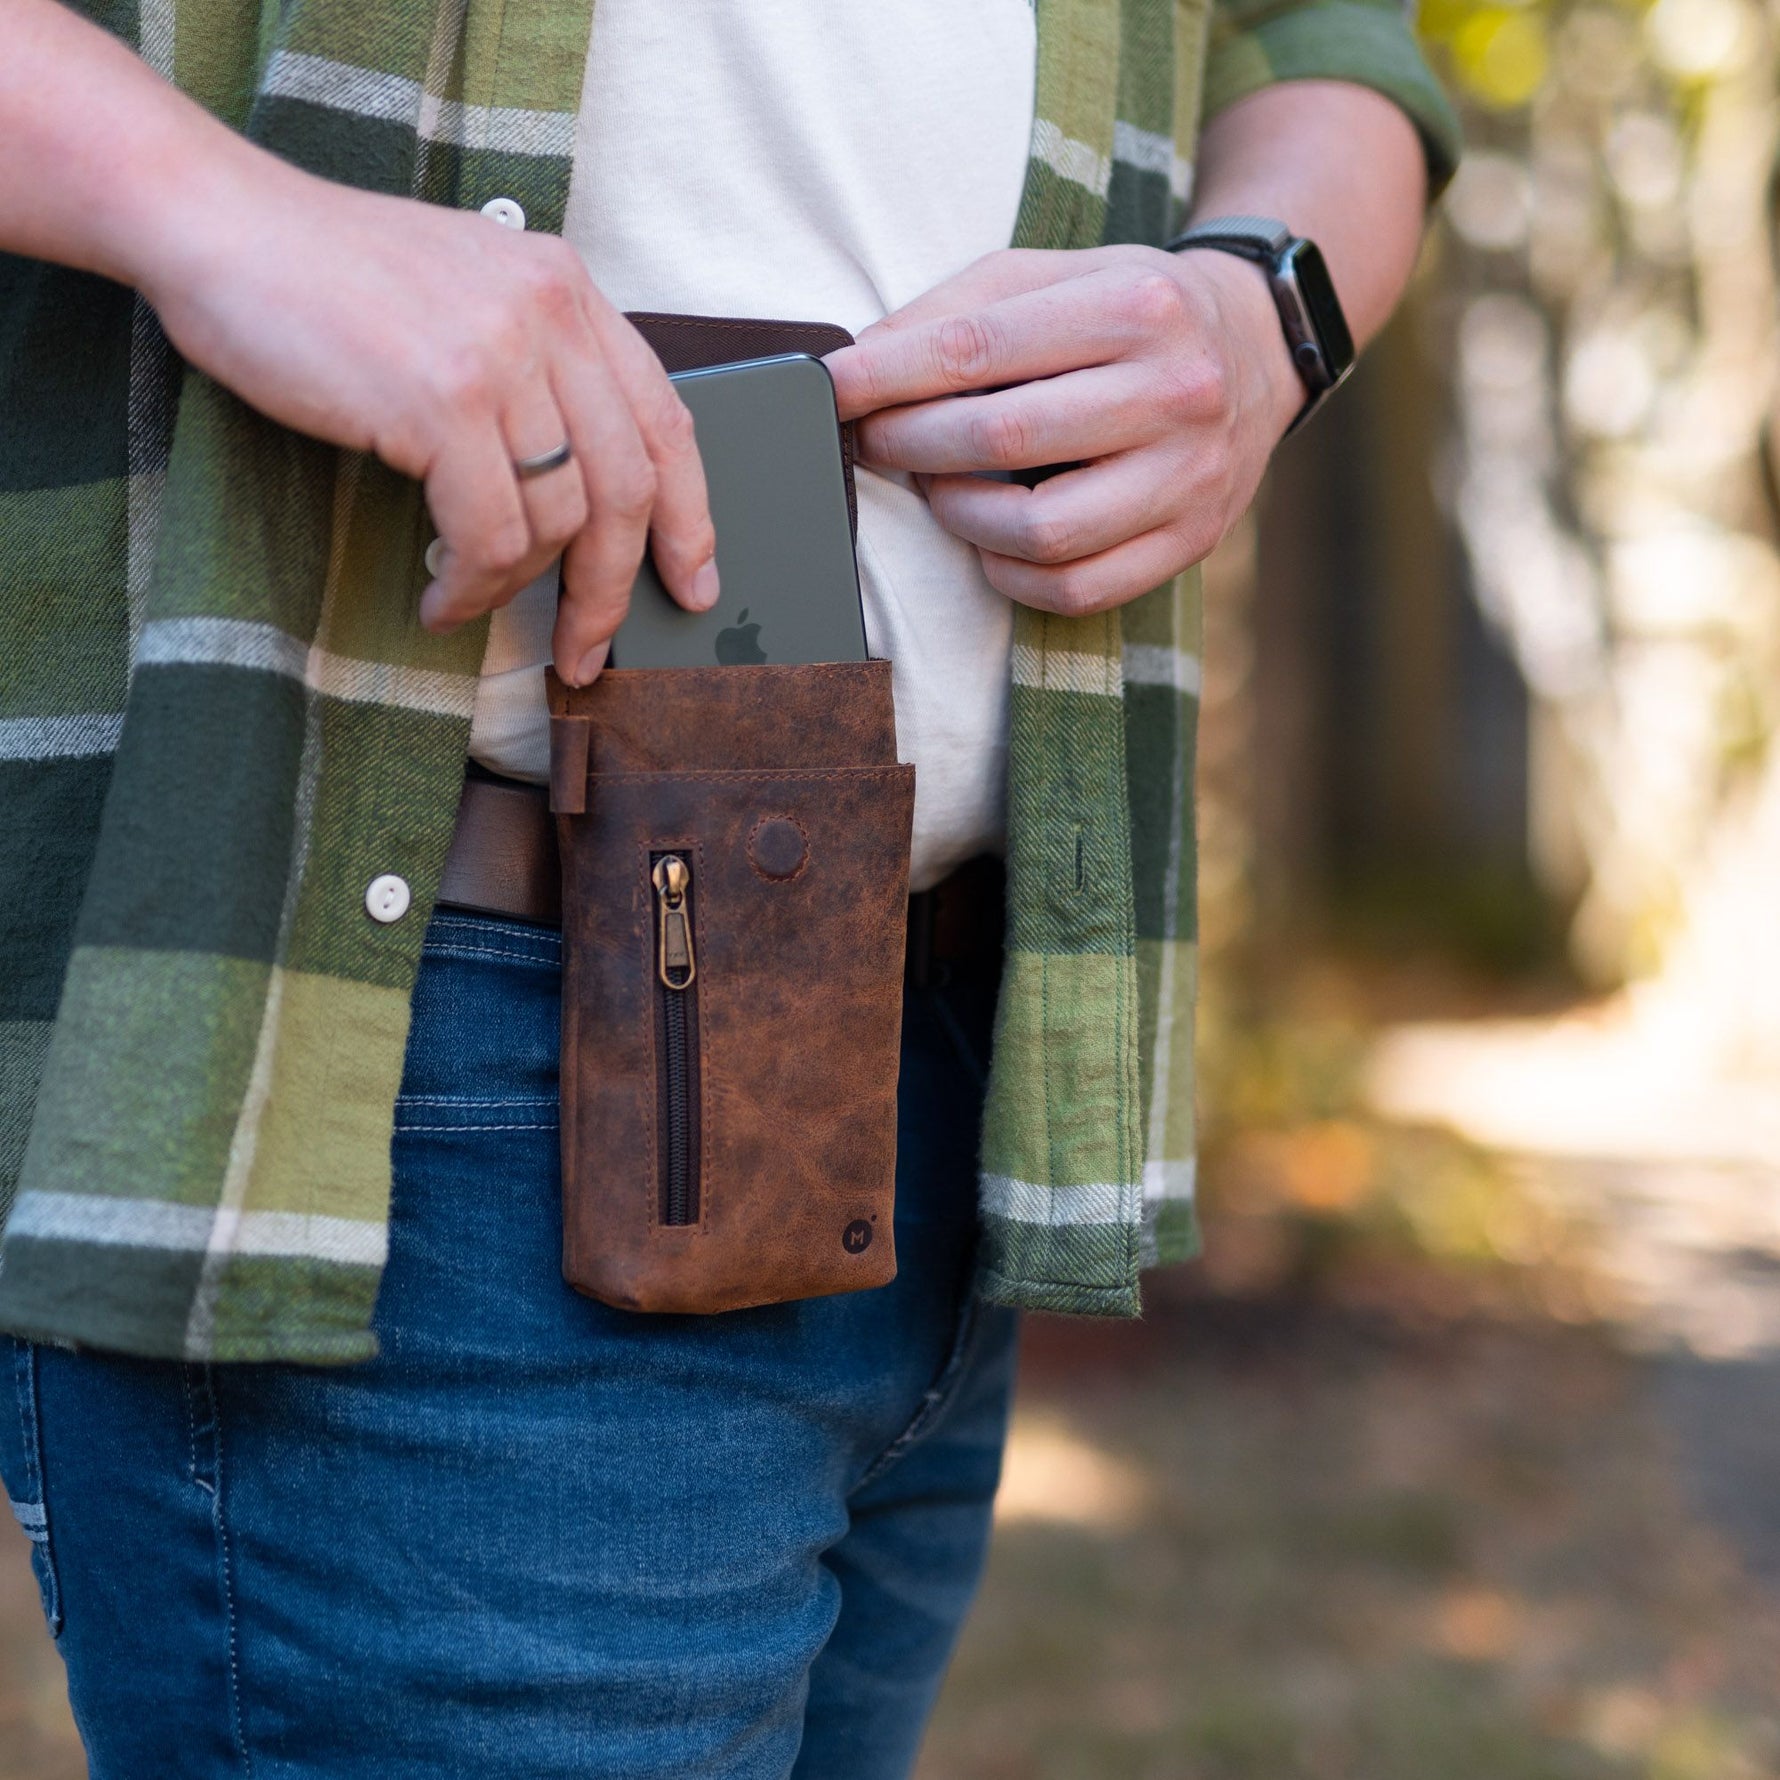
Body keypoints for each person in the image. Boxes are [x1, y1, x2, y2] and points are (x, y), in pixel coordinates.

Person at [0, 0, 1458, 1773]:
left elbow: (1330, 44)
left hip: (956, 1080)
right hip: (418, 1077)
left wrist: (1262, 308)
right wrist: (210, 208)